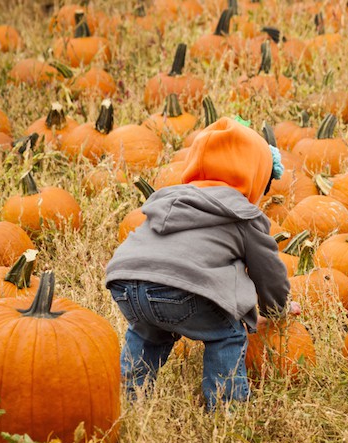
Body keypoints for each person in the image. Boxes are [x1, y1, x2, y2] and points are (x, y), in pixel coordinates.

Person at [105, 116, 297, 410]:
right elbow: (267, 271)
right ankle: (226, 409)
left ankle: (129, 398)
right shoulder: (243, 215)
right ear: (255, 176)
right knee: (228, 333)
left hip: (126, 282)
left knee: (149, 330)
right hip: (180, 291)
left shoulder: (170, 199)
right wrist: (276, 309)